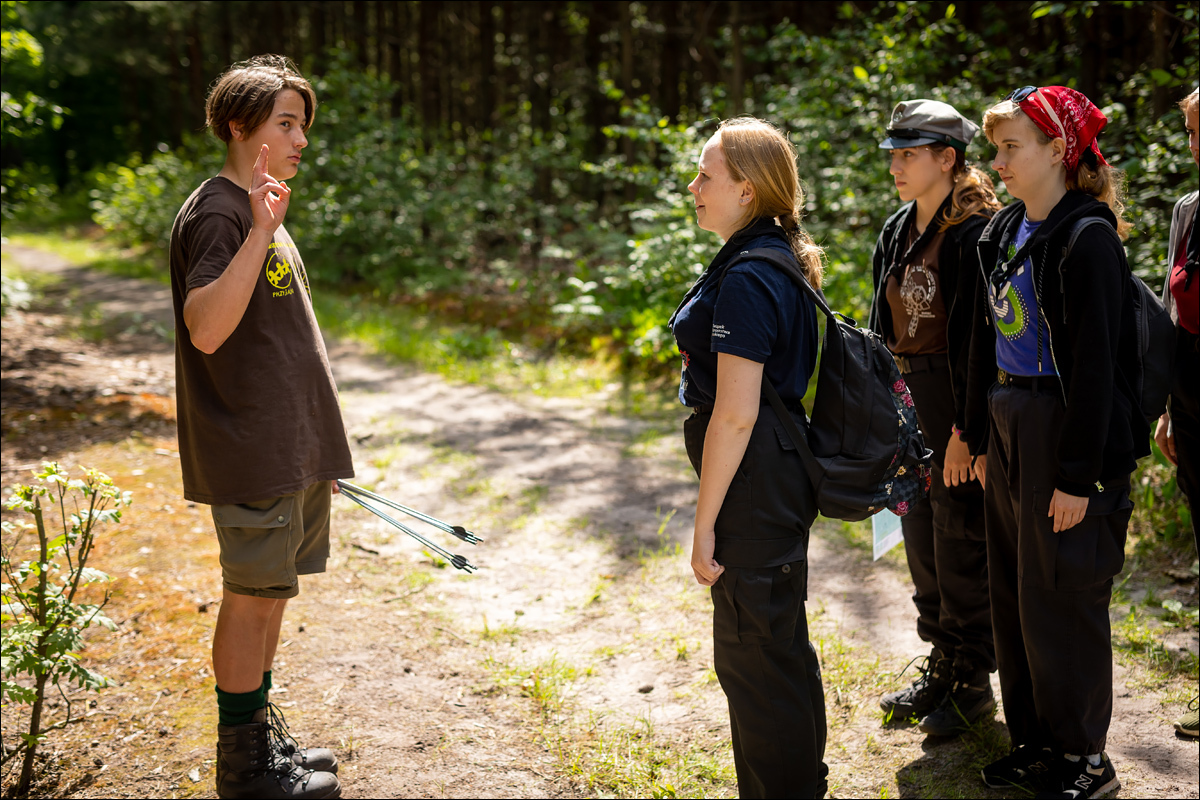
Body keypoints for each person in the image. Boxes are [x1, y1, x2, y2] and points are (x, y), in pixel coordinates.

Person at [168, 55, 352, 800]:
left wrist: (317, 448)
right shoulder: (222, 213)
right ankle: (243, 768)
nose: (302, 139)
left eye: (303, 125)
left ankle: (261, 741)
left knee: (271, 595)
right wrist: (257, 232)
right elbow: (207, 327)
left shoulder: (260, 207)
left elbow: (284, 344)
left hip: (289, 450)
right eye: (287, 123)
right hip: (250, 449)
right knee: (249, 599)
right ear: (241, 125)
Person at [963, 86, 1147, 800]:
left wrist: (1078, 477)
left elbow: (1099, 370)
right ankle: (1036, 743)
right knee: (1016, 591)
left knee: (1064, 595)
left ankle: (1085, 759)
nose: (998, 162)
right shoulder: (1004, 229)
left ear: (1058, 149)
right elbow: (981, 340)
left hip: (1062, 429)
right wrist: (977, 434)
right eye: (996, 148)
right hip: (1009, 419)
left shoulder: (1087, 237)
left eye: (1012, 147)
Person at [670, 117, 827, 798]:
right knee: (776, 649)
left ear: (748, 190)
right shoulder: (768, 255)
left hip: (755, 484)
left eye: (706, 175)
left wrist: (704, 523)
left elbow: (735, 414)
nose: (694, 187)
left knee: (755, 661)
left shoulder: (750, 274)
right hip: (774, 475)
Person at [869, 99, 1001, 736]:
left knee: (960, 537)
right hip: (906, 398)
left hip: (956, 398)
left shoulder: (977, 231)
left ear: (947, 159)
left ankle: (972, 680)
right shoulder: (898, 227)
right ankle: (941, 662)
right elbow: (881, 325)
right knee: (918, 532)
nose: (896, 166)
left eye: (909, 155)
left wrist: (966, 432)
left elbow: (984, 342)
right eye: (893, 154)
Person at [1154, 86, 1199, 741]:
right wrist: (1166, 408)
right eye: (1191, 131)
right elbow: (1171, 316)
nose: (1196, 144)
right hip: (1192, 401)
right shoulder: (1189, 209)